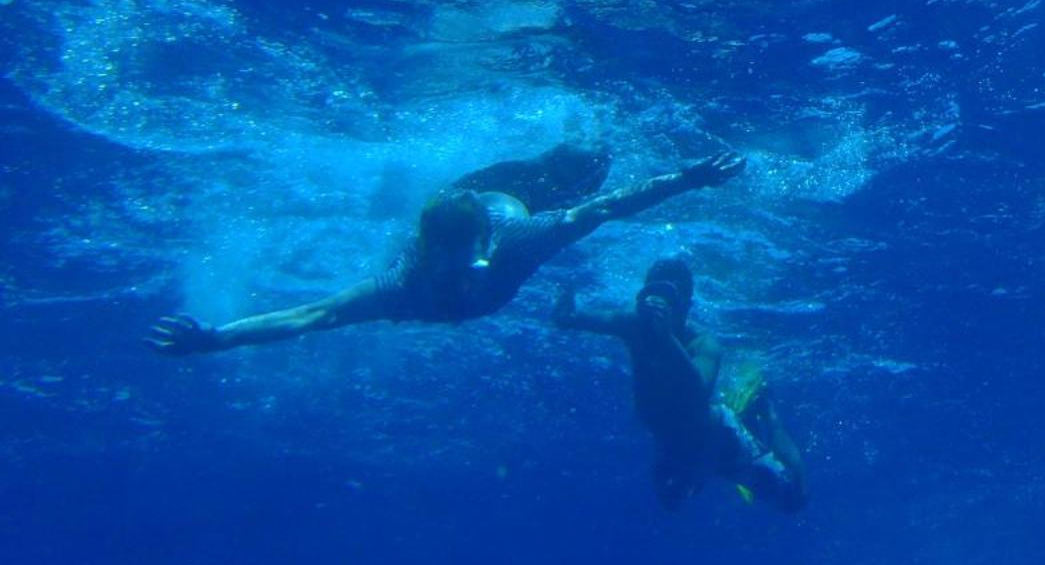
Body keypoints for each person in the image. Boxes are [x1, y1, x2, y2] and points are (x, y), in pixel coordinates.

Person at [148, 145, 742, 353]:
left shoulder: (518, 243)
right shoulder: (404, 285)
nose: (458, 287)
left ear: (485, 248)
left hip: (520, 192)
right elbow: (313, 314)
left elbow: (605, 207)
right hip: (467, 195)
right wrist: (217, 338)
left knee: (591, 159)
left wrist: (690, 177)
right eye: (446, 274)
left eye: (466, 271)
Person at [554, 258, 808, 512]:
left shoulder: (703, 342)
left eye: (673, 299)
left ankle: (767, 410)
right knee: (670, 500)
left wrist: (666, 338)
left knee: (792, 499)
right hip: (671, 439)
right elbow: (574, 318)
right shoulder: (632, 323)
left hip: (718, 439)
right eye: (656, 293)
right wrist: (565, 311)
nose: (661, 306)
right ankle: (748, 412)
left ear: (687, 306)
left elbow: (697, 391)